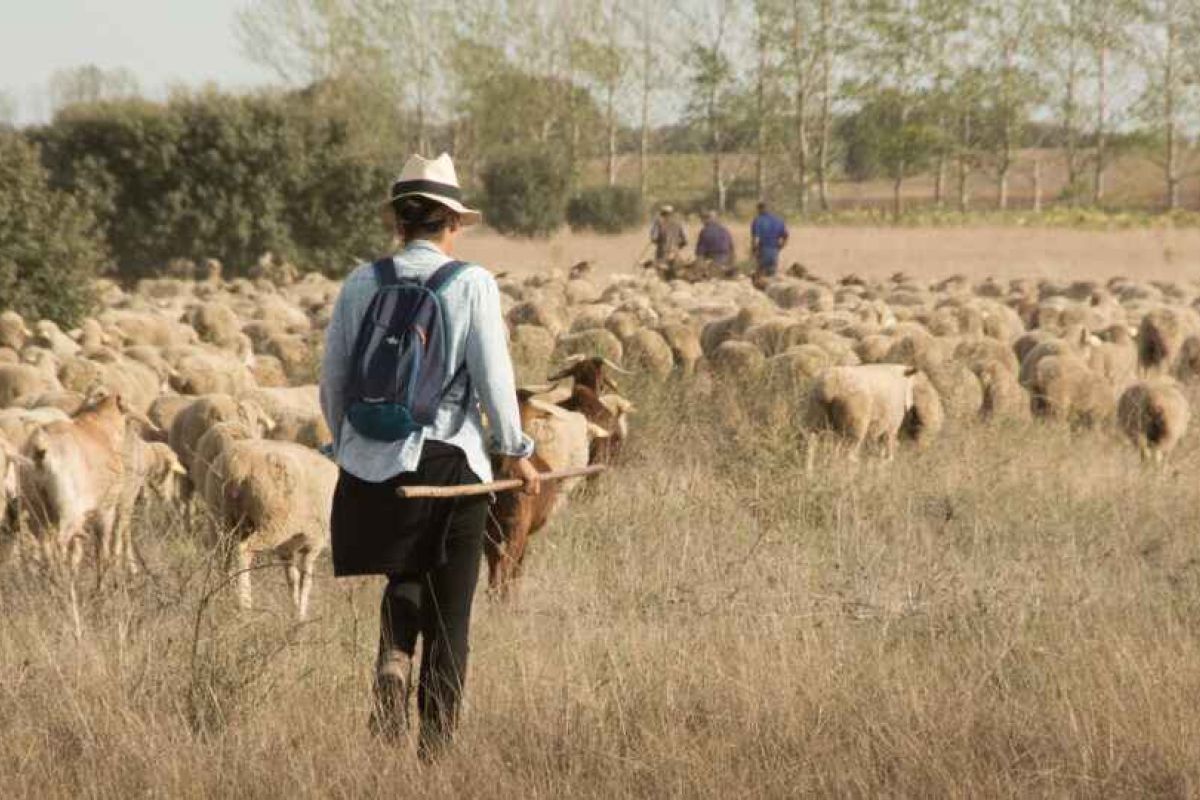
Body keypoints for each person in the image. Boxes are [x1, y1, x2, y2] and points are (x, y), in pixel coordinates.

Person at [319, 153, 540, 759]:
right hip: (449, 460)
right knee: (451, 615)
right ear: (453, 223)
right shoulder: (469, 282)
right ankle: (433, 754)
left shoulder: (362, 282)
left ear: (398, 223)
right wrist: (515, 451)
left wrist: (347, 445)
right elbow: (495, 378)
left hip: (372, 464)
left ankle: (394, 658)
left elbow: (333, 376)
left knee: (404, 569)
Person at [750, 201, 789, 279]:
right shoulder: (779, 220)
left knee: (760, 278)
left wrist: (754, 251)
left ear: (759, 209)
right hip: (774, 251)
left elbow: (756, 238)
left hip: (763, 250)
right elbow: (786, 235)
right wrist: (780, 246)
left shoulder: (757, 220)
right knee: (771, 277)